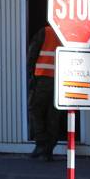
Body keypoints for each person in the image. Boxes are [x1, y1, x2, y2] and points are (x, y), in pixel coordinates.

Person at [27, 24, 63, 161]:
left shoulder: (46, 31)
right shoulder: (68, 33)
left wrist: (31, 75)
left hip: (44, 78)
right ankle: (48, 151)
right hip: (61, 80)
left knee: (35, 108)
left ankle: (41, 144)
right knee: (53, 115)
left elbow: (32, 53)